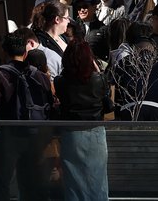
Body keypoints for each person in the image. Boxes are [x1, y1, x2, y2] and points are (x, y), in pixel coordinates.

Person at [0, 32, 57, 201]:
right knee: (31, 182)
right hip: (35, 136)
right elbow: (51, 106)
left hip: (8, 136)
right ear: (25, 53)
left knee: (2, 182)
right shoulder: (40, 76)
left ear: (5, 53)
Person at [55, 40, 110, 201]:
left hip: (70, 134)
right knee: (98, 180)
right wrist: (97, 69)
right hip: (96, 133)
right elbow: (108, 106)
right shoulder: (99, 80)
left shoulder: (60, 82)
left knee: (74, 182)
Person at [29, 0, 69, 77]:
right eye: (66, 18)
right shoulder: (40, 42)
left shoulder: (63, 37)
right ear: (57, 19)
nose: (69, 21)